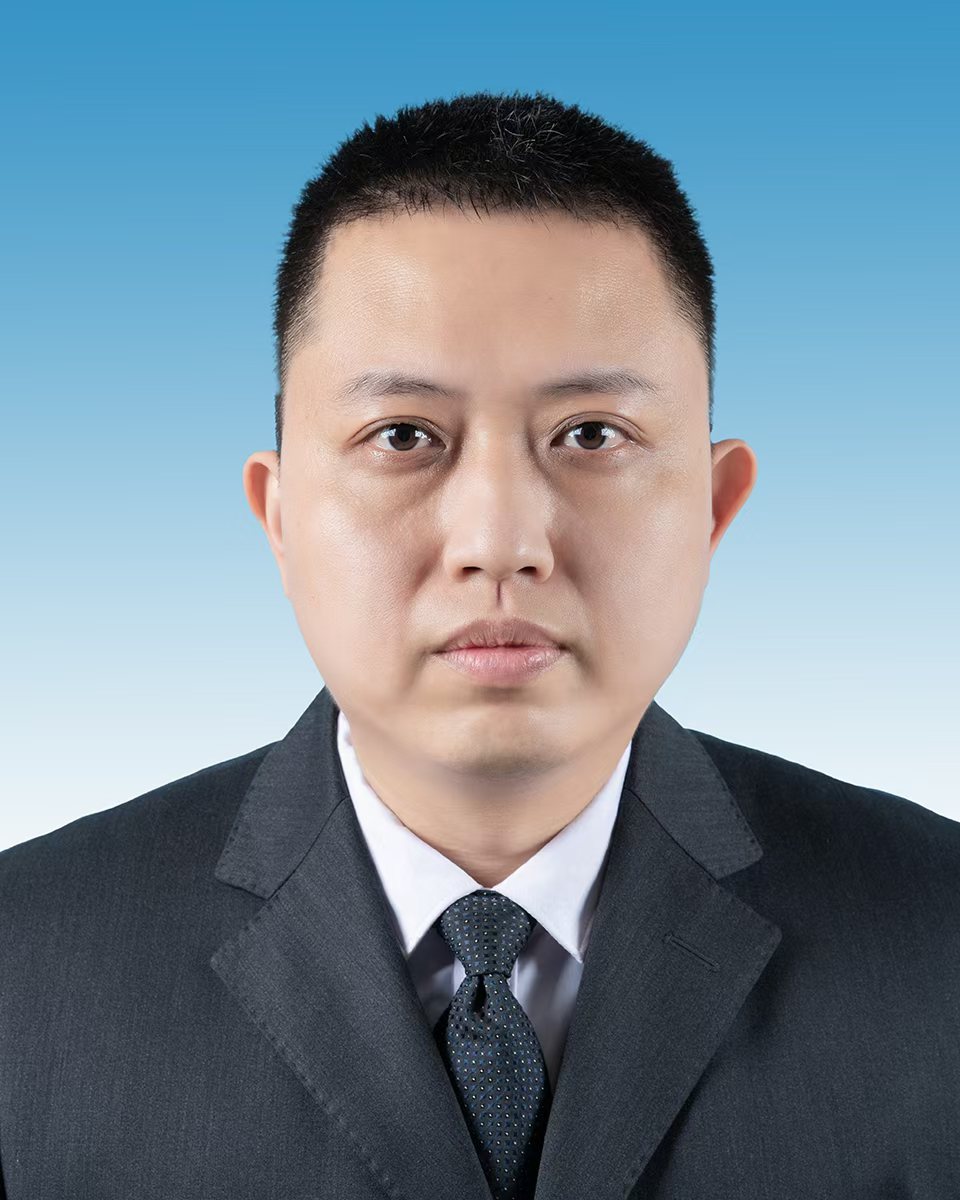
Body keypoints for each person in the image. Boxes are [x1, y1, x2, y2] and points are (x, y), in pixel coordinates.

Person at [1, 90, 957, 1200]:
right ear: (280, 513)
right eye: (404, 435)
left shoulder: (939, 945)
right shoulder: (26, 969)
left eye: (590, 434)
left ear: (713, 504)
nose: (500, 542)